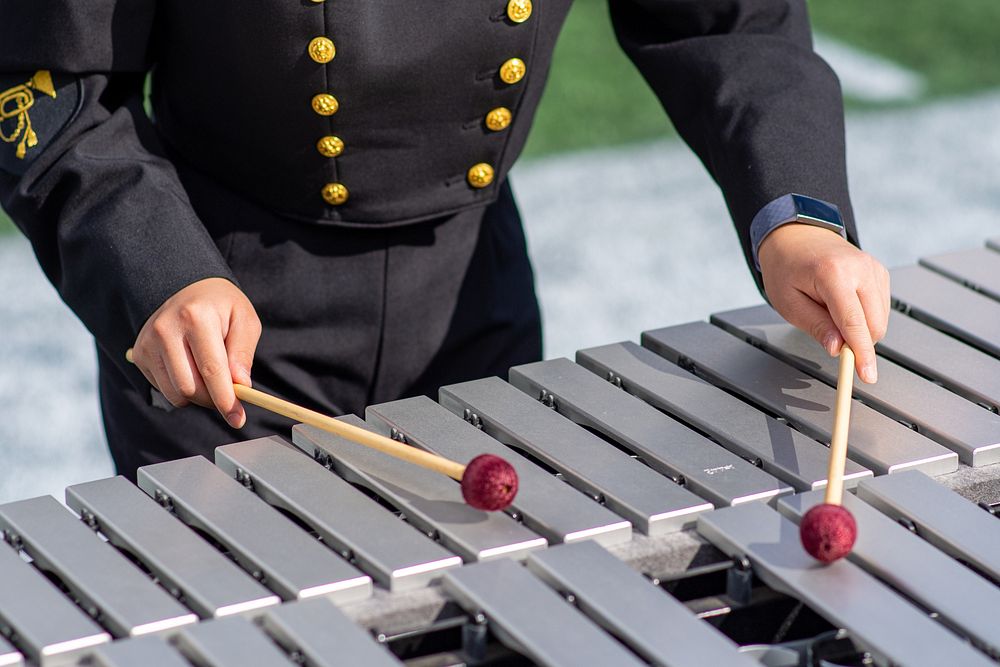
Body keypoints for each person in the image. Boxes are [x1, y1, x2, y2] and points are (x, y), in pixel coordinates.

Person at [1, 0, 889, 479]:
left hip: (475, 300)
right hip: (215, 325)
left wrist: (795, 214)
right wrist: (154, 266)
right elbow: (43, 84)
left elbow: (726, 17)